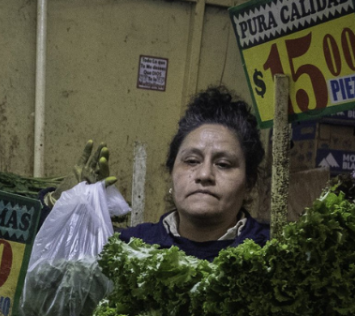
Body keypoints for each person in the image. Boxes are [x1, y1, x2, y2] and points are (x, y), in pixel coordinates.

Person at [51, 87, 268, 261]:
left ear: (249, 182)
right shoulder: (131, 248)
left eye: (223, 164)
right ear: (171, 171)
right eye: (192, 161)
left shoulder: (271, 253)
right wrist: (61, 207)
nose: (204, 174)